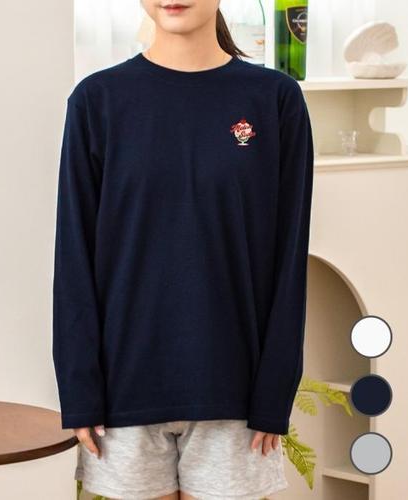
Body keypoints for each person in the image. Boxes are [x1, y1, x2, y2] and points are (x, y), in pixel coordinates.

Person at [52, 1, 314, 498]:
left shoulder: (274, 99)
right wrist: (80, 388)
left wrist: (275, 389)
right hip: (123, 390)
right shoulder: (96, 100)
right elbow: (73, 257)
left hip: (235, 392)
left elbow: (289, 258)